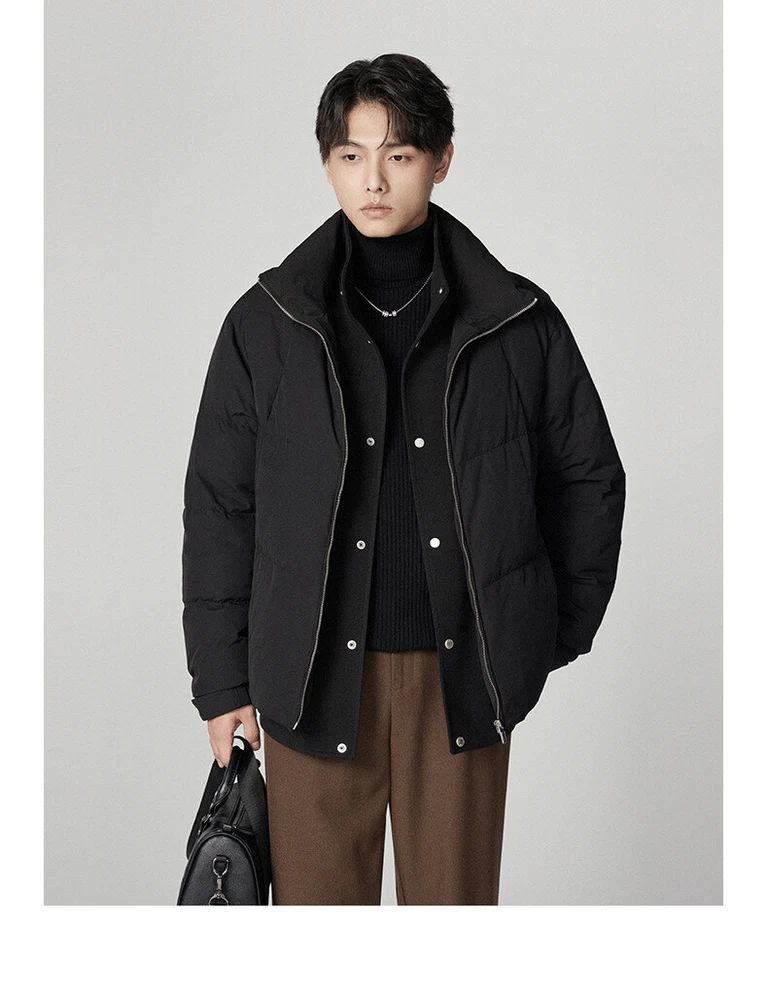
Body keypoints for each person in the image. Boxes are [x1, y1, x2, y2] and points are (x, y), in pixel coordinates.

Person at [181, 53, 626, 905]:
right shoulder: (265, 324)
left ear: (442, 158)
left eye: (400, 153)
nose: (374, 179)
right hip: (310, 683)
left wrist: (533, 631)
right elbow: (220, 507)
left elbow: (588, 479)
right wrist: (223, 682)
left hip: (459, 683)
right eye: (351, 155)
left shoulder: (517, 321)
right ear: (327, 163)